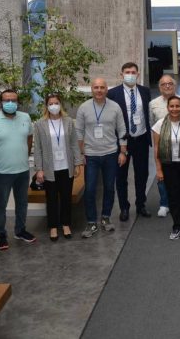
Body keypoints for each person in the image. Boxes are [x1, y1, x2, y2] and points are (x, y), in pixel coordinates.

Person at [0, 89, 36, 250]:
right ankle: (0, 234)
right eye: (7, 100)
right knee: (1, 204)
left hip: (22, 170)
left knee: (22, 203)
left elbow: (29, 137)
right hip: (1, 172)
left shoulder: (25, 117)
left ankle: (20, 230)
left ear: (18, 102)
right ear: (1, 102)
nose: (10, 103)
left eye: (13, 100)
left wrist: (24, 155)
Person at [76, 78, 127, 238]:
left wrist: (123, 152)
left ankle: (106, 217)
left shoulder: (115, 107)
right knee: (90, 189)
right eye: (96, 87)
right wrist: (81, 154)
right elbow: (79, 132)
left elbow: (122, 129)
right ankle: (91, 222)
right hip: (90, 155)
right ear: (91, 89)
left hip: (111, 154)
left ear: (106, 89)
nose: (99, 90)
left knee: (109, 188)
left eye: (102, 87)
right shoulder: (84, 107)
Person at [33, 94, 82, 241]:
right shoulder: (40, 124)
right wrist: (39, 169)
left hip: (66, 166)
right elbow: (38, 149)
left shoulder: (68, 121)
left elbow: (74, 144)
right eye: (51, 104)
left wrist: (77, 163)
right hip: (49, 168)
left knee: (66, 197)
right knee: (51, 199)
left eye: (56, 103)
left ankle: (66, 224)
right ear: (46, 106)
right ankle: (53, 227)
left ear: (60, 104)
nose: (54, 106)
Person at [107, 62, 152, 221]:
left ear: (138, 74)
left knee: (142, 174)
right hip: (122, 142)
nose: (130, 75)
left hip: (141, 138)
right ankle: (124, 208)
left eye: (133, 72)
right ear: (122, 74)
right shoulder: (112, 94)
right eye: (127, 72)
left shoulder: (145, 91)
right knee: (121, 176)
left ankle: (141, 204)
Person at [153, 96, 180, 240]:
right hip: (169, 165)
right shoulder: (160, 124)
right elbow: (156, 148)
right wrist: (159, 169)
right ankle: (177, 226)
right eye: (171, 106)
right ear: (167, 107)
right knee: (173, 195)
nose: (174, 109)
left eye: (177, 106)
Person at [149, 75, 180, 218]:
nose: (167, 86)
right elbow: (152, 123)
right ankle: (164, 203)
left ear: (175, 85)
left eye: (170, 84)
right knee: (162, 176)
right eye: (163, 84)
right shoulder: (153, 103)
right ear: (159, 87)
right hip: (163, 147)